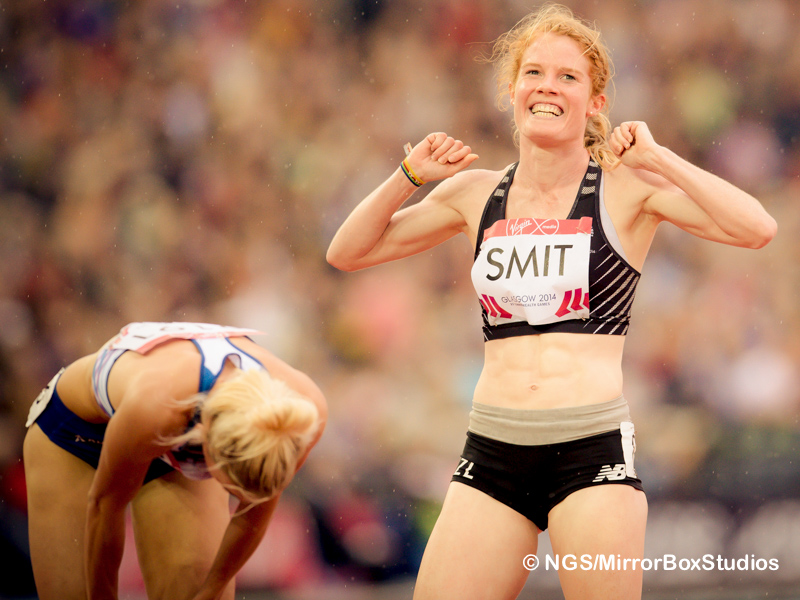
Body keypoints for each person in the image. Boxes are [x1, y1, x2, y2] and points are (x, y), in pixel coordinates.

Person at [326, 4, 776, 599]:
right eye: (534, 73)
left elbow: (756, 228)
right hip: (493, 451)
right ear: (511, 90)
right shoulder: (474, 193)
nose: (547, 86)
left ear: (595, 103)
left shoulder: (625, 188)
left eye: (568, 77)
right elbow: (347, 251)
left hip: (590, 453)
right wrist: (408, 174)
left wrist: (657, 157)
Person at [23, 321, 327, 600]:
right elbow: (105, 507)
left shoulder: (296, 420)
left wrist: (210, 592)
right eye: (231, 487)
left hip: (169, 435)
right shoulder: (157, 406)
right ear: (205, 440)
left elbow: (253, 515)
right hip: (73, 434)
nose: (236, 498)